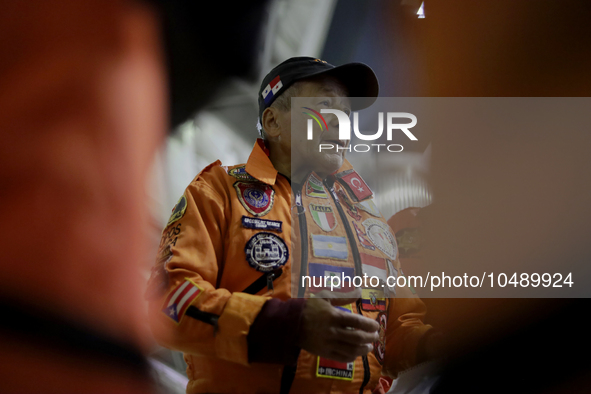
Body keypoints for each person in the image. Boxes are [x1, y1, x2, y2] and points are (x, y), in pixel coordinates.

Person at [146, 57, 441, 394]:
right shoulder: (218, 192)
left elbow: (397, 331)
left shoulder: (368, 218)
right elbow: (167, 303)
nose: (341, 123)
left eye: (346, 112)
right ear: (273, 121)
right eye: (325, 105)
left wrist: (434, 343)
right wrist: (288, 325)